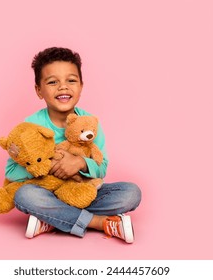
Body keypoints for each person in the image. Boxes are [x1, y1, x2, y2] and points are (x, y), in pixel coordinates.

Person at [7, 47, 141, 243]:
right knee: (23, 195)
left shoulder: (89, 123)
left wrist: (79, 163)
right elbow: (11, 171)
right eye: (52, 82)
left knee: (131, 193)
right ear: (39, 90)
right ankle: (97, 222)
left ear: (81, 86)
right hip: (46, 192)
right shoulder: (30, 126)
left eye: (71, 80)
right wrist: (48, 166)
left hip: (81, 190)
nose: (63, 87)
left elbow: (101, 168)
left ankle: (53, 219)